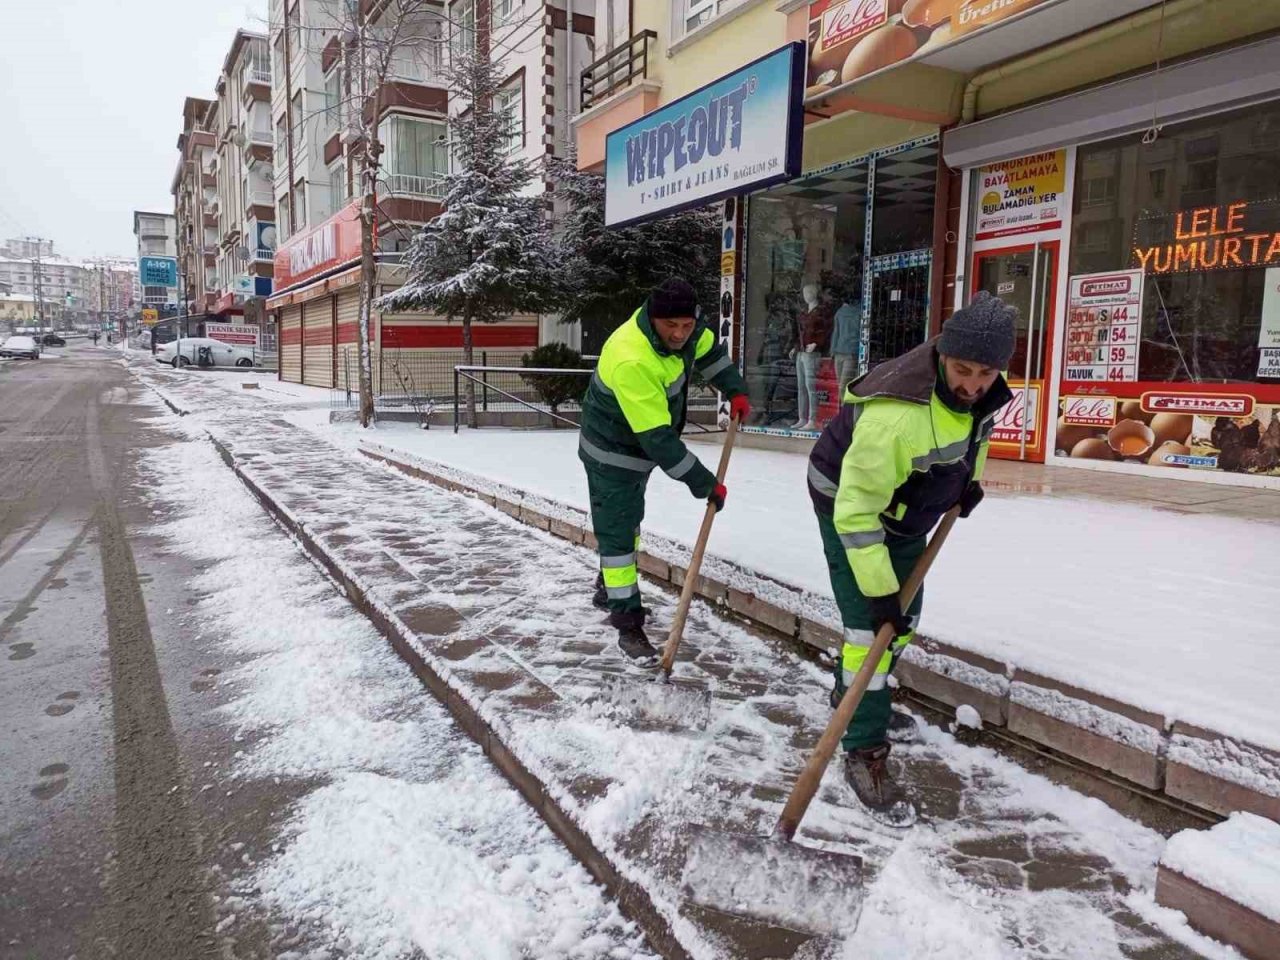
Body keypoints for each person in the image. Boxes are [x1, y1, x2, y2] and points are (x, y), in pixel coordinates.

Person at [806, 291, 1016, 827]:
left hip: (907, 509)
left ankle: (851, 698)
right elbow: (856, 514)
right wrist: (877, 593)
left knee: (905, 621)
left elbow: (974, 434)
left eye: (985, 374)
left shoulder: (984, 396)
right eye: (962, 369)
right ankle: (864, 749)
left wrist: (963, 485)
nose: (971, 385)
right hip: (849, 503)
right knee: (867, 631)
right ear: (942, 354)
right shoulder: (896, 419)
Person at [579, 278, 751, 663]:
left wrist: (734, 388)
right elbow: (658, 441)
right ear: (652, 318)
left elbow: (711, 354)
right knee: (619, 535)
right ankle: (627, 624)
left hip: (641, 446)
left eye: (686, 326)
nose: (679, 334)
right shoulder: (632, 357)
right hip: (611, 452)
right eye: (670, 326)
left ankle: (607, 588)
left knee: (630, 519)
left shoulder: (689, 331)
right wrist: (705, 484)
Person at [792, 283, 833, 431]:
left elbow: (826, 331)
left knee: (811, 387)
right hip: (802, 352)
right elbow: (801, 333)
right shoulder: (804, 313)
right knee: (801, 387)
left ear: (814, 293)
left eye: (808, 292)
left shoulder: (820, 312)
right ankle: (802, 417)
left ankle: (812, 419)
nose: (805, 295)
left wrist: (817, 343)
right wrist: (795, 348)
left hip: (812, 353)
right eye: (804, 293)